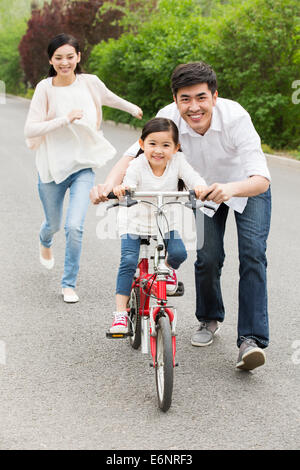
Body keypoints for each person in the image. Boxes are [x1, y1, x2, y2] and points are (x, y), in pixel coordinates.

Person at [90, 62, 271, 371]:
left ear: (215, 96)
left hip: (243, 187)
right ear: (175, 100)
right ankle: (209, 319)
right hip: (197, 192)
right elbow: (130, 157)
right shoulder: (169, 117)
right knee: (207, 256)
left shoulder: (237, 118)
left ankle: (250, 341)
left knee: (253, 255)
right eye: (185, 99)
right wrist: (108, 187)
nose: (194, 106)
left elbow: (261, 180)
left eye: (201, 97)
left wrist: (229, 189)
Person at [24, 33, 143, 303]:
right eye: (59, 58)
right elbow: (30, 128)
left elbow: (109, 97)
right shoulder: (45, 88)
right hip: (51, 168)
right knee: (54, 224)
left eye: (70, 56)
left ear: (78, 57)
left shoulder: (90, 83)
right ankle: (45, 240)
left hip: (82, 166)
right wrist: (63, 120)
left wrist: (131, 108)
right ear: (51, 60)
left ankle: (68, 284)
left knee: (75, 227)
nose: (65, 62)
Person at [109, 117, 208, 333]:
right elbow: (130, 182)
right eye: (152, 144)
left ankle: (166, 269)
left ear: (176, 148)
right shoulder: (137, 164)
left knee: (180, 253)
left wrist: (200, 187)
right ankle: (120, 315)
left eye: (166, 145)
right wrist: (123, 189)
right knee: (128, 261)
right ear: (142, 144)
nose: (158, 150)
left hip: (164, 220)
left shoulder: (178, 162)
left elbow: (193, 177)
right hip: (134, 221)